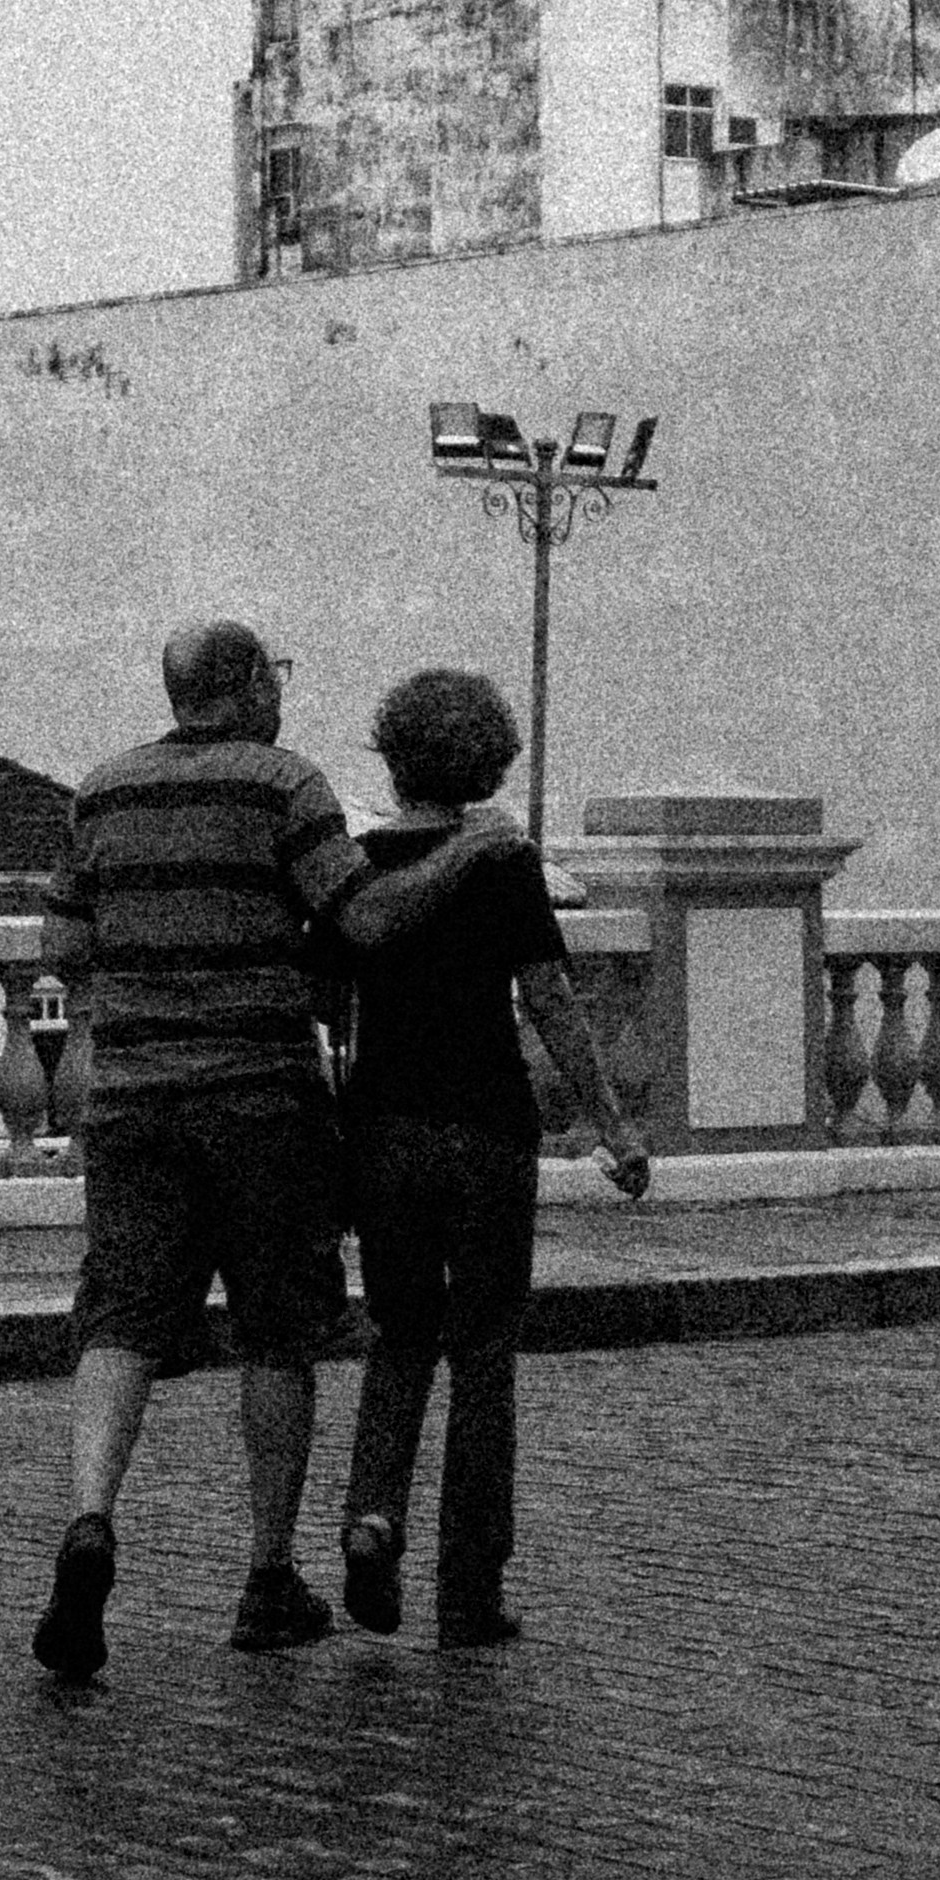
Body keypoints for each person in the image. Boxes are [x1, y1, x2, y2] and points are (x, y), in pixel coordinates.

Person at [30, 615, 490, 1683]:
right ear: (244, 686)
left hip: (133, 1103)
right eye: (273, 674)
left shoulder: (102, 791)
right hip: (262, 1106)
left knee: (120, 1320)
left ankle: (90, 1521)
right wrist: (468, 855)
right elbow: (366, 921)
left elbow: (62, 944)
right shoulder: (287, 786)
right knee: (277, 1335)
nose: (281, 691)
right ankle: (268, 1577)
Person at [333, 664, 649, 1649]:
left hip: (384, 1126)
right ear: (490, 762)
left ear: (394, 756)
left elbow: (333, 1003)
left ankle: (372, 1514)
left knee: (398, 1334)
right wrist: (611, 1123)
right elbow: (551, 1001)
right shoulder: (502, 860)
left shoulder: (361, 864)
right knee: (481, 1353)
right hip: (484, 1128)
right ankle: (468, 1588)